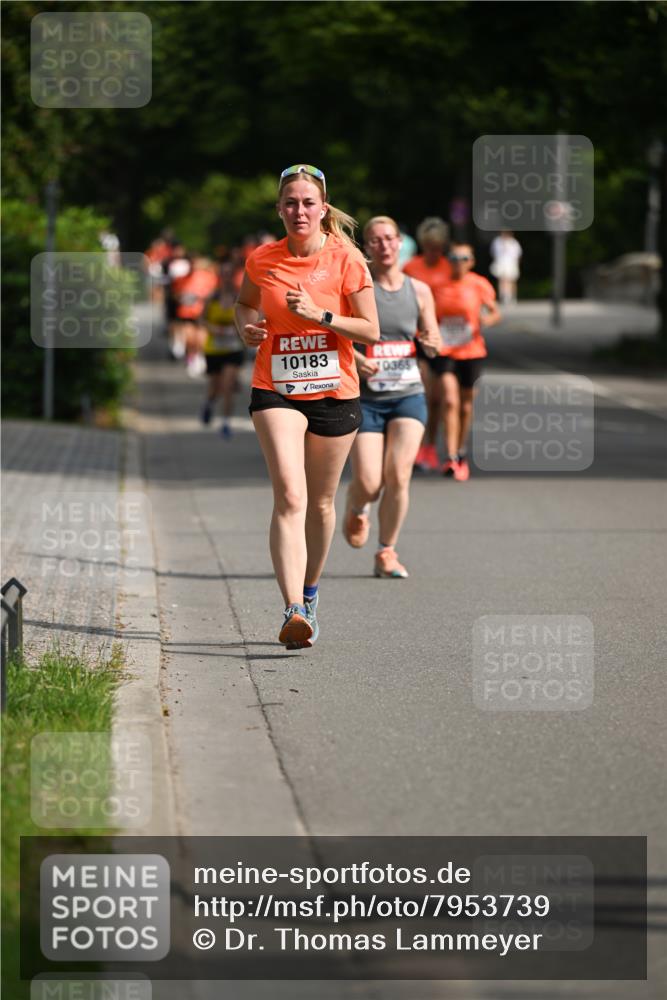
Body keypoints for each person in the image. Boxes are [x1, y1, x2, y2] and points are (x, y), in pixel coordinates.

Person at [234, 164, 379, 648]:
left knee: (320, 503)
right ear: (279, 209)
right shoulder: (262, 259)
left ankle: (311, 592)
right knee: (291, 497)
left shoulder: (347, 260)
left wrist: (322, 315)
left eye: (308, 203)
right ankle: (293, 608)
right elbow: (244, 304)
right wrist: (246, 328)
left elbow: (371, 330)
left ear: (323, 208)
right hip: (274, 387)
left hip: (336, 390)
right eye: (290, 203)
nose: (299, 210)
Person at [343, 216, 441, 578]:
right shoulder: (357, 288)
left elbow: (432, 339)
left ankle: (386, 552)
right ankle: (356, 507)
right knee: (370, 481)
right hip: (365, 398)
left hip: (408, 395)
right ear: (366, 248)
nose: (383, 245)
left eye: (389, 239)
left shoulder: (419, 290)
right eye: (375, 240)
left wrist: (431, 344)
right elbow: (334, 335)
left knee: (398, 475)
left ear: (401, 243)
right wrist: (355, 358)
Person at [431, 243, 501, 481]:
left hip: (472, 351)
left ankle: (461, 452)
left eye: (464, 258)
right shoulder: (437, 286)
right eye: (453, 257)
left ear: (471, 261)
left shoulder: (479, 284)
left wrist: (486, 320)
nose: (458, 261)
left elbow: (495, 312)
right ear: (447, 260)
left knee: (466, 405)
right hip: (445, 350)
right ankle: (450, 456)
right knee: (450, 400)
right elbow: (427, 315)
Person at [403, 217, 452, 472]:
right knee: (421, 390)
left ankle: (430, 445)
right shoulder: (411, 268)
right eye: (429, 246)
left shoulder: (449, 267)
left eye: (438, 246)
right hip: (416, 335)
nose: (434, 251)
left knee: (436, 398)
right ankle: (416, 447)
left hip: (443, 337)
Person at [200, 261, 246, 437]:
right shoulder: (212, 298)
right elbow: (201, 320)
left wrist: (239, 328)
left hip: (234, 348)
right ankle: (208, 403)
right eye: (224, 275)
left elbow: (249, 316)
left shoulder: (239, 297)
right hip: (214, 349)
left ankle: (226, 422)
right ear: (220, 277)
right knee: (215, 386)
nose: (226, 278)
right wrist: (214, 329)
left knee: (228, 386)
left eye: (229, 275)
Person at [489, 230, 522, 304]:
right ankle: (503, 296)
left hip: (511, 263)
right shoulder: (497, 242)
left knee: (512, 280)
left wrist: (517, 264)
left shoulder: (514, 242)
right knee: (502, 280)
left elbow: (518, 254)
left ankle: (513, 297)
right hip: (501, 263)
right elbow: (493, 253)